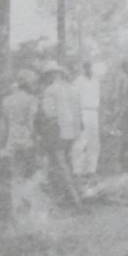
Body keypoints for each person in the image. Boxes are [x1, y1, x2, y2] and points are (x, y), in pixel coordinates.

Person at [38, 62, 84, 209]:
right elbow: (78, 113)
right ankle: (69, 196)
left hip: (57, 130)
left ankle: (75, 200)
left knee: (59, 163)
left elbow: (49, 113)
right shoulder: (73, 89)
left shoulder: (50, 90)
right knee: (67, 163)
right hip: (72, 132)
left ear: (52, 75)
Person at [2, 70, 44, 227]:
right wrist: (36, 138)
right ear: (28, 84)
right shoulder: (31, 100)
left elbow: (7, 122)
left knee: (16, 175)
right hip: (27, 140)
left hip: (12, 140)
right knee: (31, 175)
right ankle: (31, 212)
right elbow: (30, 123)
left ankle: (16, 211)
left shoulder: (6, 100)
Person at [108, 60, 128, 171]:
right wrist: (119, 111)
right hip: (124, 111)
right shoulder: (123, 78)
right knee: (123, 137)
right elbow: (118, 95)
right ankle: (122, 162)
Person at [71, 61, 102, 177]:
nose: (89, 69)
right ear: (83, 68)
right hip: (82, 111)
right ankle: (77, 170)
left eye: (90, 67)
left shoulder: (96, 81)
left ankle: (91, 170)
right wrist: (77, 117)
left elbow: (99, 98)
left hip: (94, 112)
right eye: (86, 67)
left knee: (94, 143)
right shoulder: (78, 81)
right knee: (80, 142)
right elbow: (74, 100)